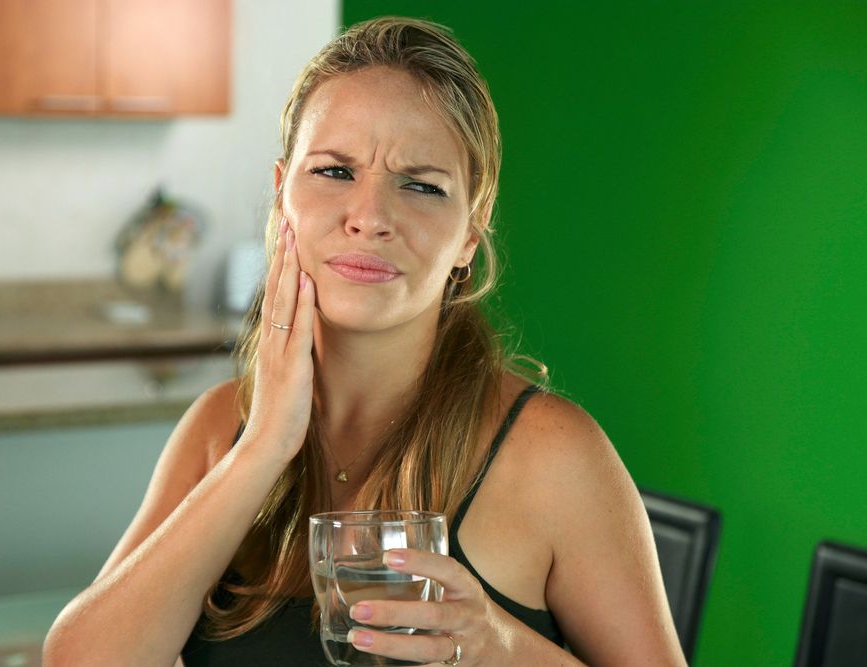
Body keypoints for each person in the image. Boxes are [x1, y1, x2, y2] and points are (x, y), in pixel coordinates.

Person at [43, 17, 687, 667]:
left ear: (470, 232)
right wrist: (263, 447)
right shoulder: (220, 429)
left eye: (422, 185)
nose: (370, 217)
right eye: (334, 171)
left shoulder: (553, 455)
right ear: (281, 195)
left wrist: (501, 646)